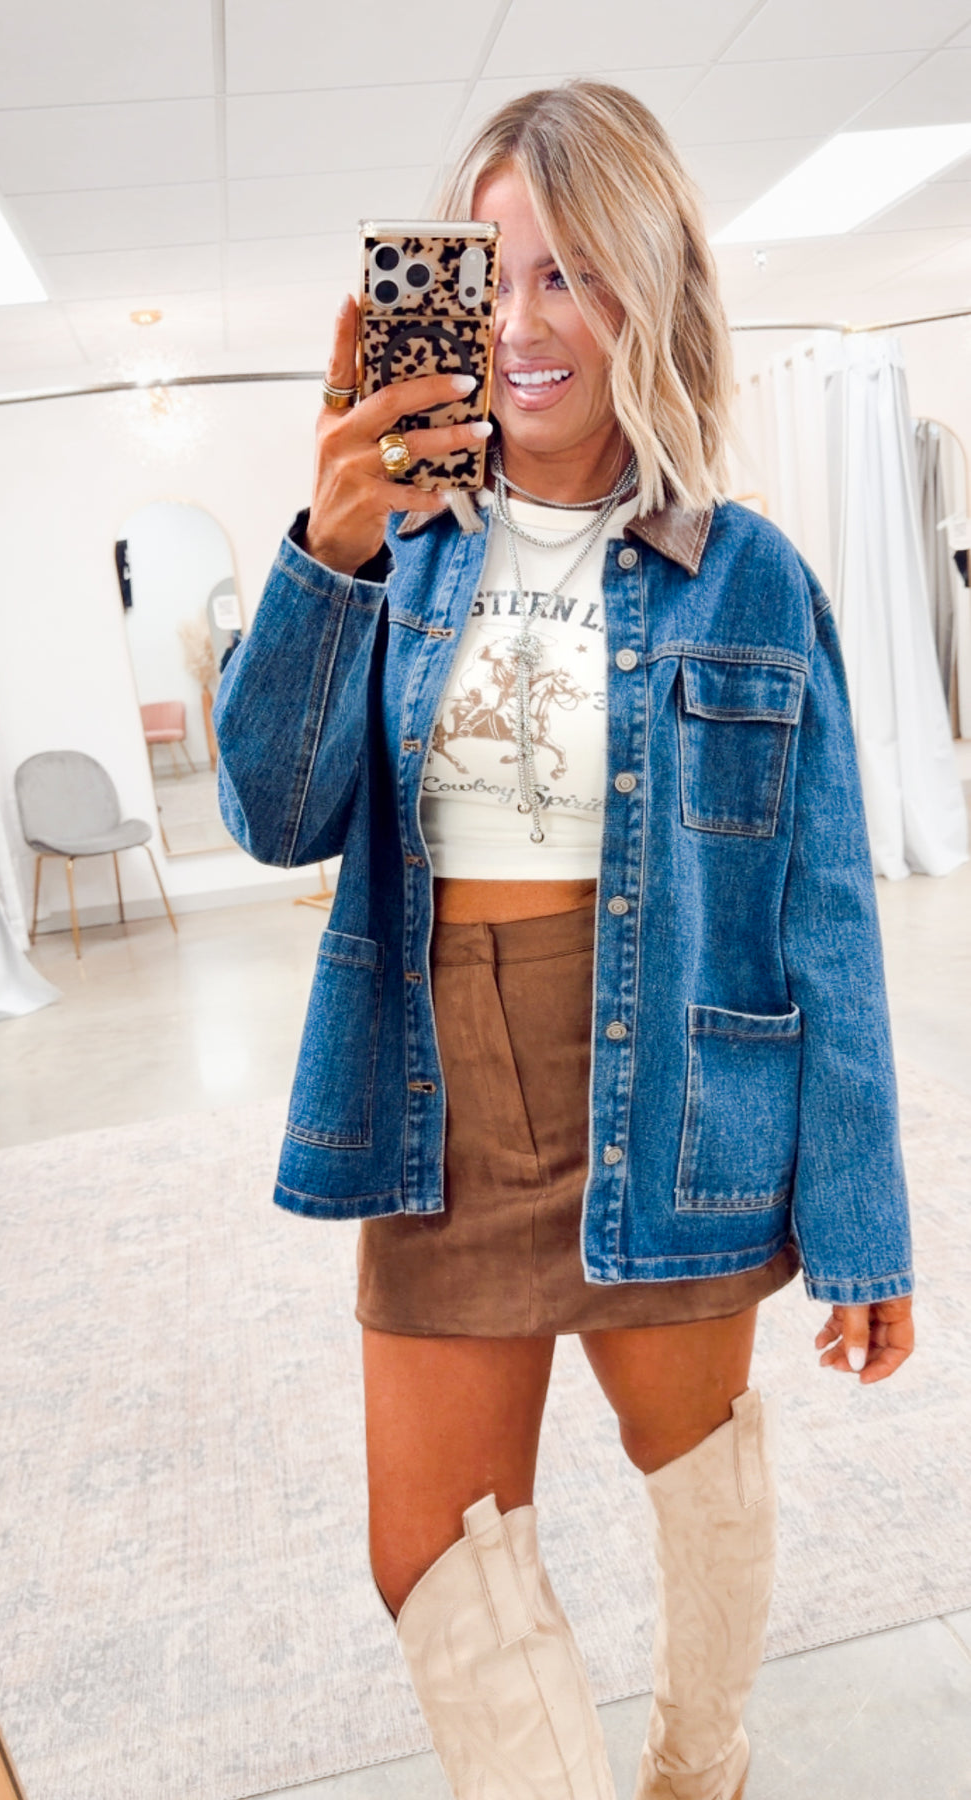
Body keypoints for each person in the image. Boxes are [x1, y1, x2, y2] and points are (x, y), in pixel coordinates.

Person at [214, 81, 915, 1800]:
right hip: (436, 1103)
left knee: (699, 1480)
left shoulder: (747, 575)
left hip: (673, 1091)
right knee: (429, 1551)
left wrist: (861, 1218)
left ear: (645, 287)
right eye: (493, 276)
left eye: (569, 275)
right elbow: (274, 815)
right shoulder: (395, 547)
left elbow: (823, 906)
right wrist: (325, 556)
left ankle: (698, 1762)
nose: (522, 326)